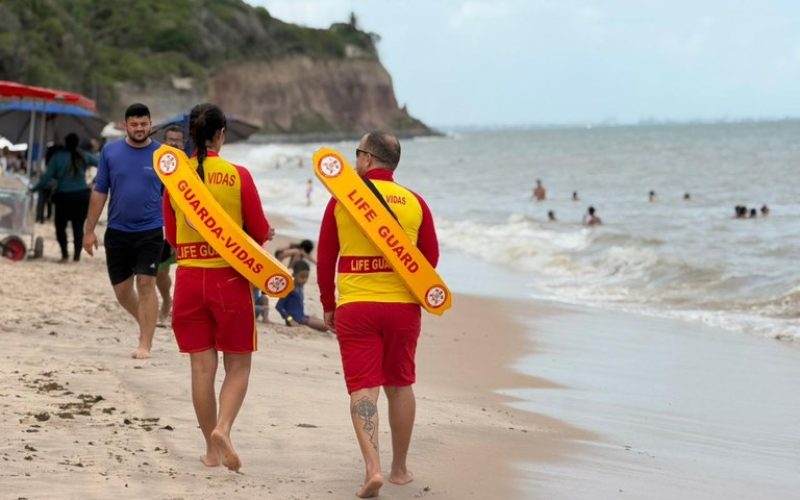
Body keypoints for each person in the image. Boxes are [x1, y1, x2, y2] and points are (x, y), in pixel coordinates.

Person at [317, 131, 440, 498]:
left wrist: (328, 303)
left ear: (368, 159)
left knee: (363, 387)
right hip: (402, 308)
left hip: (357, 306)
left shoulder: (343, 200)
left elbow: (326, 257)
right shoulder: (415, 202)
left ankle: (372, 467)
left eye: (357, 153)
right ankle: (399, 469)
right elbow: (429, 259)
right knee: (400, 384)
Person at [163, 103, 271, 473]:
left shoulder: (177, 179)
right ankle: (222, 429)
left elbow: (172, 237)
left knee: (200, 369)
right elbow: (257, 232)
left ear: (191, 134)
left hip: (190, 279)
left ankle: (211, 451)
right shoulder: (238, 175)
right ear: (221, 134)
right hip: (229, 278)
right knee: (238, 364)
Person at [83, 103, 163, 359]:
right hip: (117, 230)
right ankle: (146, 322)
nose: (139, 128)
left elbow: (177, 196)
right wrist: (89, 230)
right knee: (122, 292)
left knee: (146, 283)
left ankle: (145, 343)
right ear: (125, 125)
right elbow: (99, 192)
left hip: (150, 230)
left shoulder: (163, 156)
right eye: (134, 124)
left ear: (150, 124)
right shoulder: (110, 152)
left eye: (143, 123)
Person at [31, 133, 97, 262]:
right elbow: (103, 164)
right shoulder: (84, 155)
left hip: (63, 197)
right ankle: (77, 256)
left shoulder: (57, 157)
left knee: (60, 227)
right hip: (81, 196)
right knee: (78, 227)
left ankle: (65, 254)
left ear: (65, 143)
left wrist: (34, 188)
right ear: (77, 143)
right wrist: (94, 181)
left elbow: (46, 177)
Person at [156, 125, 185, 324]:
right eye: (170, 139)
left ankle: (180, 307)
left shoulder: (190, 166)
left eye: (178, 140)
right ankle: (167, 298)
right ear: (164, 142)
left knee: (186, 269)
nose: (174, 143)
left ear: (184, 143)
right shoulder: (157, 164)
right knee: (160, 270)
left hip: (185, 225)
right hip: (160, 224)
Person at [275, 260, 328, 332]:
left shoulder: (300, 287)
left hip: (302, 317)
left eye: (306, 277)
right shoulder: (290, 289)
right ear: (294, 275)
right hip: (296, 320)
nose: (304, 280)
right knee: (326, 326)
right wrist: (290, 319)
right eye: (302, 277)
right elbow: (279, 306)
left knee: (327, 322)